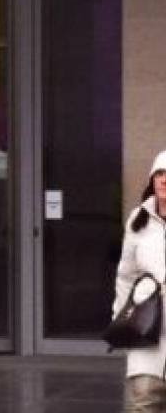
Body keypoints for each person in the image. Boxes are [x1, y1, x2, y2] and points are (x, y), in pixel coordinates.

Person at [114, 149, 166, 412]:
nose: (164, 179)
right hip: (147, 328)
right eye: (159, 173)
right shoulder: (139, 219)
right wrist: (122, 319)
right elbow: (126, 274)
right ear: (152, 179)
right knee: (144, 401)